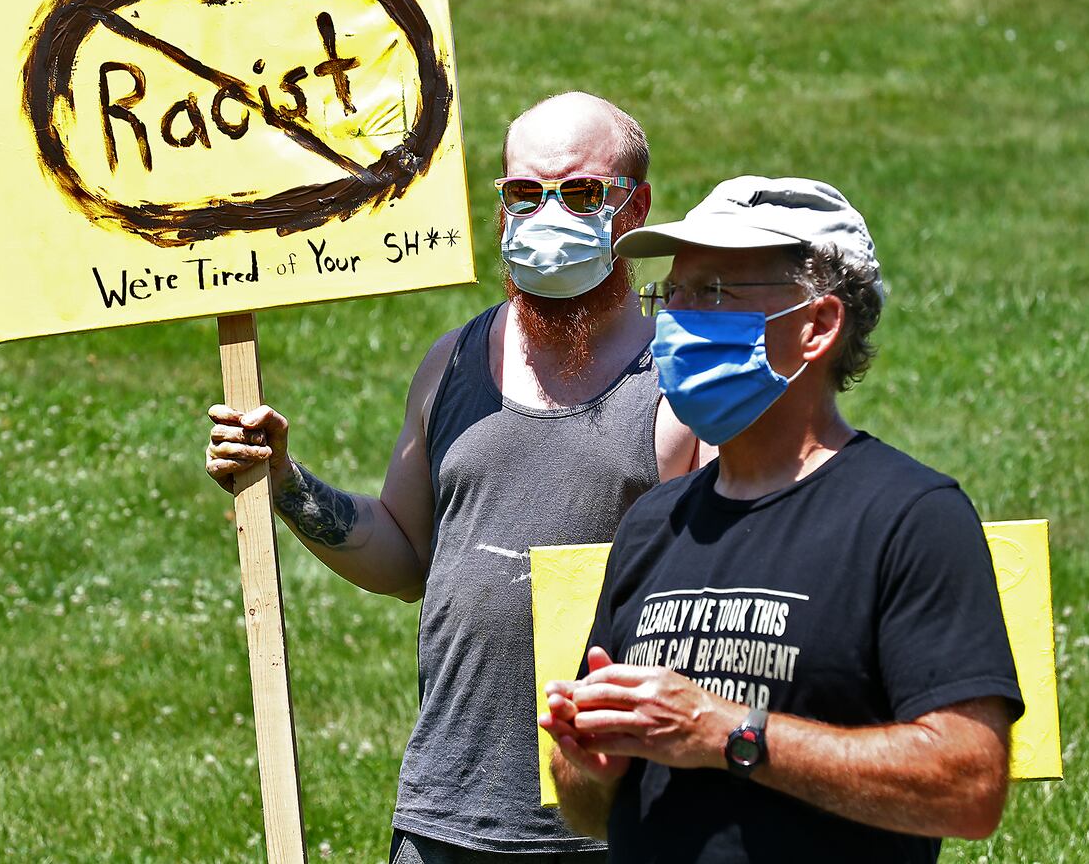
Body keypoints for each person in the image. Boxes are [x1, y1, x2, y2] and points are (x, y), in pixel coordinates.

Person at [205, 93, 712, 862]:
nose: (546, 216)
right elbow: (405, 555)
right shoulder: (450, 365)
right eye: (522, 194)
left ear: (632, 208)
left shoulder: (682, 388)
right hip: (445, 811)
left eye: (579, 194)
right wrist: (282, 480)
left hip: (606, 824)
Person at [540, 176, 1024, 864]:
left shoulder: (910, 517)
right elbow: (590, 814)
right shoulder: (654, 522)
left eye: (712, 294)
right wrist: (589, 759)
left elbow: (969, 785)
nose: (674, 321)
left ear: (818, 326)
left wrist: (724, 733)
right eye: (671, 295)